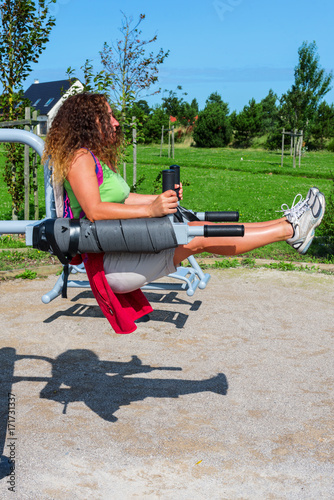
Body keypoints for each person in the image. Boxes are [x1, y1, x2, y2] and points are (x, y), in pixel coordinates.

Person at [43, 92, 325, 297]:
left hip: (124, 245)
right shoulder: (79, 158)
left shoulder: (96, 159)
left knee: (205, 229)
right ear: (89, 122)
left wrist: (162, 200)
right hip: (112, 264)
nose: (116, 122)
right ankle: (290, 229)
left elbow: (124, 199)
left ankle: (288, 225)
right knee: (199, 235)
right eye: (108, 116)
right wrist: (151, 210)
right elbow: (95, 210)